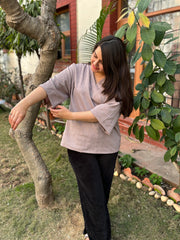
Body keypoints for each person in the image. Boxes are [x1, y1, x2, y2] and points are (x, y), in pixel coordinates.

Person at [9, 35, 133, 240]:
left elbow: (103, 114)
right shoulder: (77, 71)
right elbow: (48, 86)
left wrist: (69, 115)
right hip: (79, 146)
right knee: (94, 197)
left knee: (98, 195)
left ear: (114, 63)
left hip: (106, 148)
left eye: (102, 61)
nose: (94, 63)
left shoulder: (118, 84)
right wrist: (23, 104)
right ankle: (99, 236)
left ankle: (89, 230)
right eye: (94, 56)